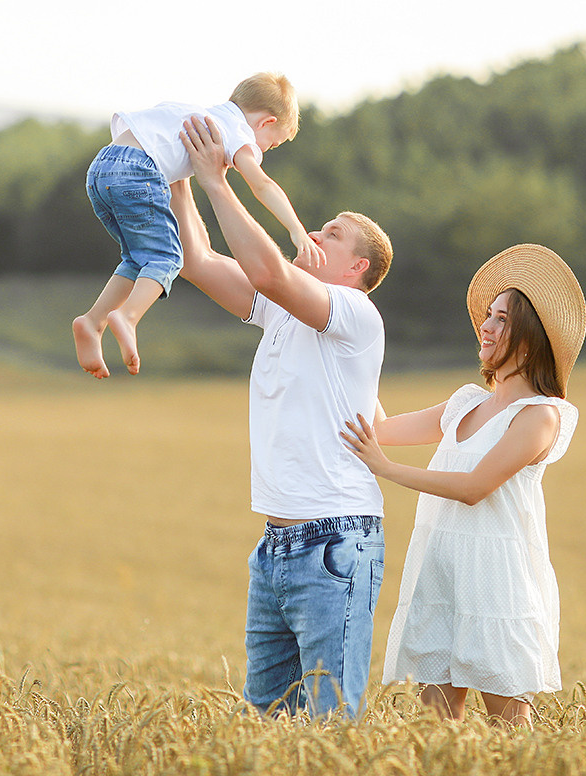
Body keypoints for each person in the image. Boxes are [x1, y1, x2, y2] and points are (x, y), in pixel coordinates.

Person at [171, 112, 394, 718]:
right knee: (266, 722)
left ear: (357, 270)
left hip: (335, 540)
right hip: (275, 545)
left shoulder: (352, 313)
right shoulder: (280, 312)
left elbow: (268, 268)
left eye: (331, 233)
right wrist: (182, 173)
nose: (314, 234)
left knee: (329, 722)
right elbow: (196, 260)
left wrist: (221, 183)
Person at [340, 244, 586, 727]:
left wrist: (385, 469)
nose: (486, 327)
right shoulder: (466, 402)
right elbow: (382, 428)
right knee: (435, 731)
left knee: (510, 732)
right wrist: (350, 351)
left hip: (497, 582)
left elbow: (475, 487)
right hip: (440, 570)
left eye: (500, 320)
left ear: (529, 337)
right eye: (487, 316)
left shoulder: (539, 416)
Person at [72, 73, 324, 379]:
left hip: (102, 167)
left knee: (138, 258)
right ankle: (127, 316)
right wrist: (295, 228)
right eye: (270, 146)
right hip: (138, 172)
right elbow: (262, 185)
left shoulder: (194, 112)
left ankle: (92, 321)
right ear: (266, 123)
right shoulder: (235, 132)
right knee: (167, 258)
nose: (263, 152)